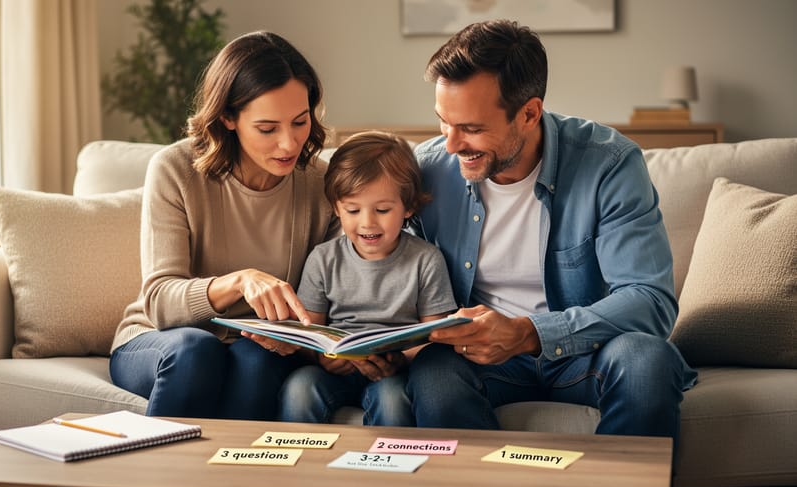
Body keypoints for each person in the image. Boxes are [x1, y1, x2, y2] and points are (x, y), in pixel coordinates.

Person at [405, 20, 698, 441]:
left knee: (647, 361)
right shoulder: (430, 168)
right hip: (481, 358)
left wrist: (528, 334)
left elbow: (649, 301)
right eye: (443, 123)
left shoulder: (609, 165)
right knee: (433, 372)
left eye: (471, 128)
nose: (451, 145)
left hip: (589, 353)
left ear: (529, 113)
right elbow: (389, 267)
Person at [109, 31, 340, 421]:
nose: (289, 144)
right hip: (162, 340)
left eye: (300, 122)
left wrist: (301, 341)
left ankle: (232, 481)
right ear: (228, 117)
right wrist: (239, 281)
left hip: (260, 345)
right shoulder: (174, 170)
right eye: (268, 129)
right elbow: (160, 301)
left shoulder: (324, 184)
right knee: (197, 352)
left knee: (258, 362)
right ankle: (158, 480)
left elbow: (335, 301)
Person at [279, 131, 456, 426]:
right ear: (337, 208)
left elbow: (434, 337)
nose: (367, 222)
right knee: (299, 389)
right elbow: (309, 331)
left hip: (393, 372)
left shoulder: (426, 260)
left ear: (408, 207)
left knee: (391, 400)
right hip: (336, 368)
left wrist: (399, 360)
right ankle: (299, 470)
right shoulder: (323, 259)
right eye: (352, 209)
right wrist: (324, 357)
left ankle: (389, 471)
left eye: (383, 210)